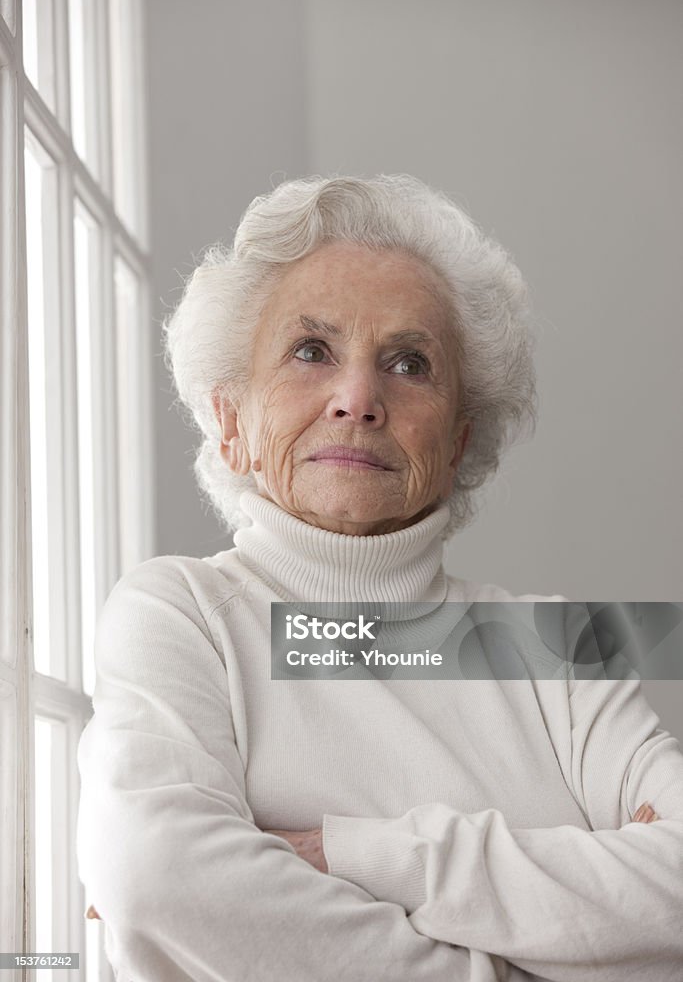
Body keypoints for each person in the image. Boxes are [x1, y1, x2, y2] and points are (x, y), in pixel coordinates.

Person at [77, 175, 683, 981]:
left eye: (408, 363)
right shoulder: (181, 614)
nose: (358, 399)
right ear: (230, 424)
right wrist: (544, 948)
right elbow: (160, 878)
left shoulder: (556, 642)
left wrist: (360, 856)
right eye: (310, 351)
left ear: (461, 439)